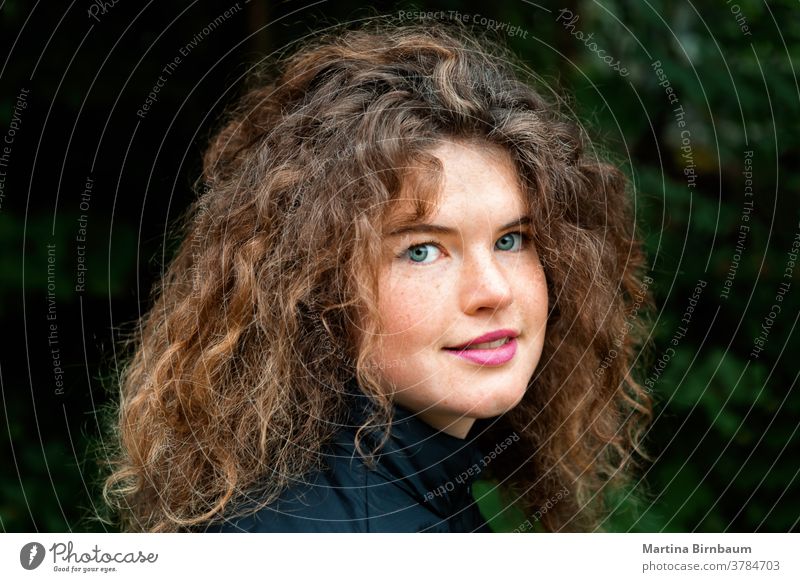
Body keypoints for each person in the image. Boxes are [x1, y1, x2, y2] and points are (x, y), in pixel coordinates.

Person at [102, 18, 652, 533]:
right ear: (315, 286)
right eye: (421, 251)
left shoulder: (417, 487)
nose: (493, 291)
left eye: (511, 240)